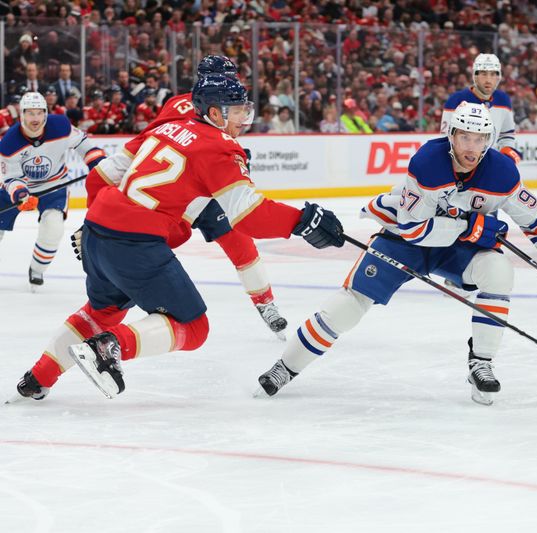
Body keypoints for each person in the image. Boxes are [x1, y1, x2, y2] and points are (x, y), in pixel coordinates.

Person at [12, 74, 345, 402]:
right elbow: (249, 215)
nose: (245, 119)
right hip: (136, 242)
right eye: (238, 110)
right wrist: (303, 220)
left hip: (99, 227)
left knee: (100, 312)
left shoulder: (169, 124)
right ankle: (109, 346)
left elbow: (102, 176)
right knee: (194, 327)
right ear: (215, 113)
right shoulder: (219, 147)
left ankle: (38, 377)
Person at [257, 102, 537, 406]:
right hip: (405, 241)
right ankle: (286, 367)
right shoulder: (427, 163)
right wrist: (468, 228)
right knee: (348, 306)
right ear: (451, 135)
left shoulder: (502, 172)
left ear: (488, 139)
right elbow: (414, 228)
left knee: (500, 271)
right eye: (465, 137)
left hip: (456, 249)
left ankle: (481, 363)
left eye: (479, 139)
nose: (471, 147)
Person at [84, 55, 293, 338]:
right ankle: (265, 303)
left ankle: (104, 314)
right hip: (185, 191)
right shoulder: (214, 104)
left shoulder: (191, 101)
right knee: (240, 242)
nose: (233, 85)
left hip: (181, 189)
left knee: (236, 242)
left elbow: (151, 139)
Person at [0, 91, 106, 289]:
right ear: (21, 115)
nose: (35, 118)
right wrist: (21, 194)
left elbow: (83, 143)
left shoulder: (61, 126)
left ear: (46, 113)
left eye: (39, 113)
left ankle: (37, 269)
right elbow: (9, 178)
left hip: (52, 185)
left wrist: (96, 162)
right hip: (19, 189)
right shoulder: (9, 143)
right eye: (30, 113)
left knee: (53, 227)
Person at [440, 54, 521, 164]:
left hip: (490, 166)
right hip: (463, 164)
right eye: (483, 74)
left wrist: (506, 156)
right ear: (475, 75)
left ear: (499, 77)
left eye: (493, 74)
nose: (488, 80)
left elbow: (507, 135)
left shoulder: (504, 100)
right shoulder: (456, 100)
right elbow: (446, 139)